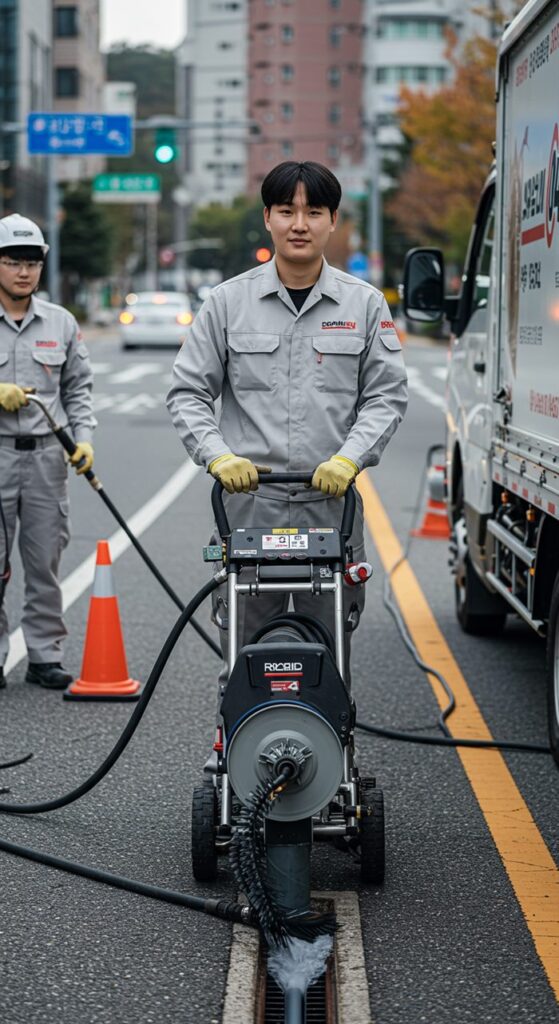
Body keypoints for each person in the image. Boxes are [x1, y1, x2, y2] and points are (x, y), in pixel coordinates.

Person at [167, 160, 407, 716]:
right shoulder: (227, 303)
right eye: (286, 211)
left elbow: (386, 396)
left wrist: (349, 459)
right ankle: (232, 747)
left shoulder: (364, 304)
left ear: (332, 221)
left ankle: (332, 750)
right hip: (250, 507)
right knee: (243, 653)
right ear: (268, 219)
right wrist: (218, 456)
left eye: (313, 212)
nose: (300, 224)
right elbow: (187, 393)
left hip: (332, 507)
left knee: (331, 653)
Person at [0, 214, 95, 690]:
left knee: (45, 562)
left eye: (32, 262)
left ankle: (44, 656)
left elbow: (78, 388)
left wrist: (85, 438)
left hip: (45, 458)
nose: (24, 272)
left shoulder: (61, 322)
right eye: (13, 261)